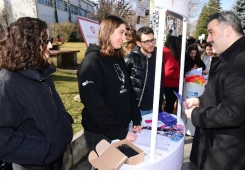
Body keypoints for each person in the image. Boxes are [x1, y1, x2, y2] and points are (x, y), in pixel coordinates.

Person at [184, 11, 245, 170]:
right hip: (220, 150)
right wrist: (201, 100)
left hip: (233, 156)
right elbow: (224, 92)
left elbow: (232, 113)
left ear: (228, 30)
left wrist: (196, 114)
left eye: (211, 32)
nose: (209, 39)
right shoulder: (231, 56)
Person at [0, 17, 74, 170]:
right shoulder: (8, 83)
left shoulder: (42, 72)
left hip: (55, 160)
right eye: (45, 40)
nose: (51, 45)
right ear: (28, 44)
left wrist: (65, 129)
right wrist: (45, 149)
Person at [77, 15, 142, 154]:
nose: (124, 38)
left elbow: (128, 90)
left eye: (125, 33)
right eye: (121, 32)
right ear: (108, 32)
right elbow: (94, 105)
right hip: (101, 134)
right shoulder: (91, 63)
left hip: (121, 128)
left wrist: (136, 118)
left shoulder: (117, 58)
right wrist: (119, 132)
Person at [124, 26, 157, 116]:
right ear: (138, 43)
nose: (151, 44)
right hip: (136, 110)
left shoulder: (158, 57)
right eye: (146, 41)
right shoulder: (130, 59)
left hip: (154, 107)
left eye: (152, 40)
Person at [162, 36, 181, 114]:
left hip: (168, 84)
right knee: (169, 105)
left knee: (169, 105)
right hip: (170, 84)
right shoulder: (169, 55)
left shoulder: (167, 53)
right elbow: (169, 72)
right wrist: (180, 74)